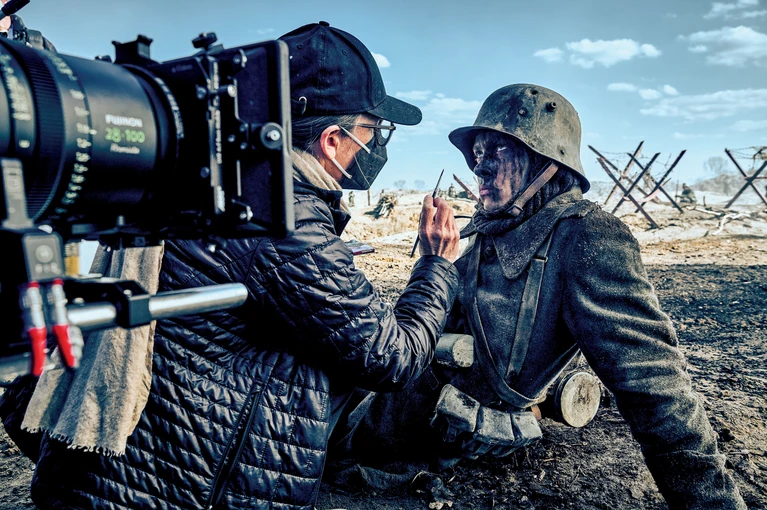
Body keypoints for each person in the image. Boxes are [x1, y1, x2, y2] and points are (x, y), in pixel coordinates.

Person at [17, 21, 461, 509]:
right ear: (332, 140)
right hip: (162, 491)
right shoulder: (280, 217)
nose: (374, 145)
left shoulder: (210, 181)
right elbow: (391, 357)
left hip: (114, 477)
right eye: (370, 131)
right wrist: (436, 265)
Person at [325, 84, 746, 509]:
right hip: (394, 409)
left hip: (419, 431)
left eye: (498, 150)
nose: (480, 167)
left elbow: (655, 387)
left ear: (546, 163)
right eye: (477, 153)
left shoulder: (587, 237)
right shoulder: (492, 230)